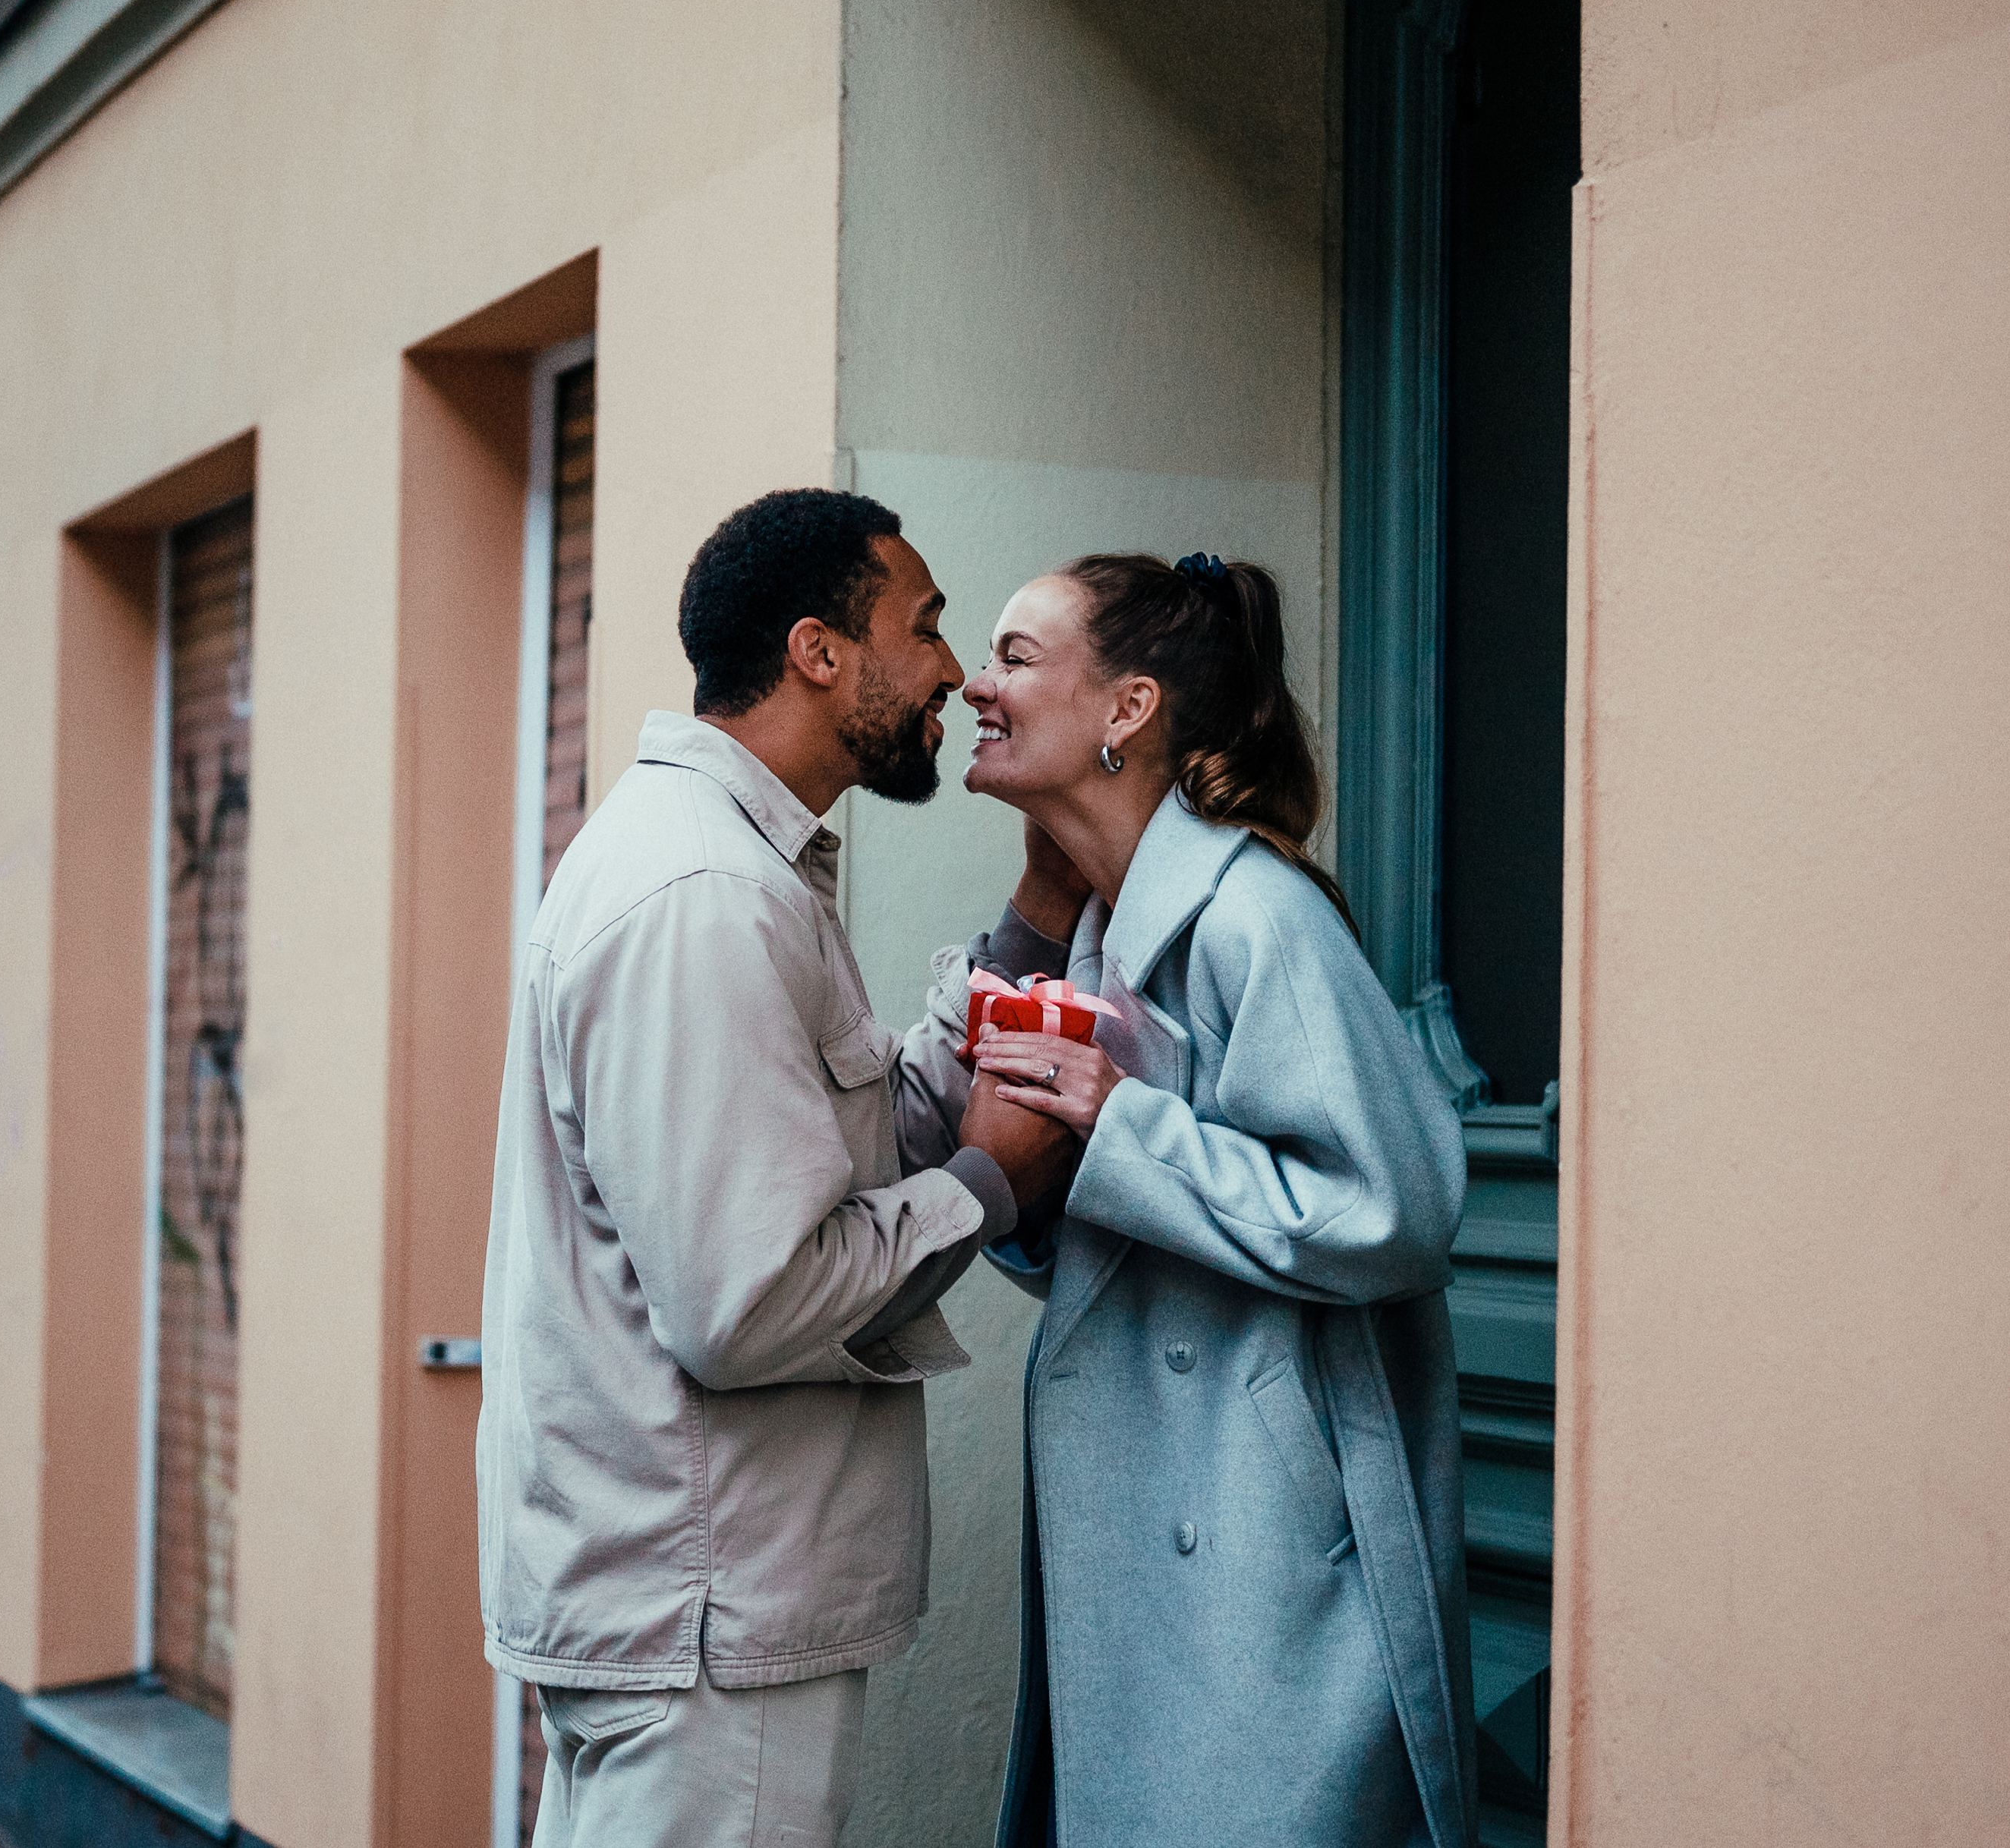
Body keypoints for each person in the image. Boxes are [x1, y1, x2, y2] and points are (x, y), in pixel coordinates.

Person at [477, 490, 1075, 1848]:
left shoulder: (736, 868)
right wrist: (992, 1184)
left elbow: (846, 1150)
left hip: (689, 1611)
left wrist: (1036, 922)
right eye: (923, 629)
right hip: (704, 1625)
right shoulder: (707, 895)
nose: (954, 674)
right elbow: (745, 1304)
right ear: (820, 651)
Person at [896, 552, 1472, 1848]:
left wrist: (1119, 1121)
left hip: (1267, 1566)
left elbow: (1397, 1208)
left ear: (1129, 709)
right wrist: (1034, 1176)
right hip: (1157, 1543)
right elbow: (1102, 1267)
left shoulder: (1257, 918)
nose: (978, 685)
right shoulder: (1098, 932)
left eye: (1017, 656)